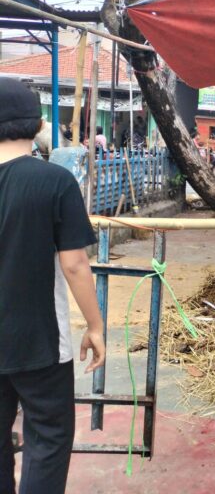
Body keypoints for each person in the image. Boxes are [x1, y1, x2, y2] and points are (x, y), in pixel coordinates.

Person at [0, 78, 105, 493]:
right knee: (48, 437)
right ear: (39, 123)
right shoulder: (55, 182)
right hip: (41, 342)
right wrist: (95, 327)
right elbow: (76, 264)